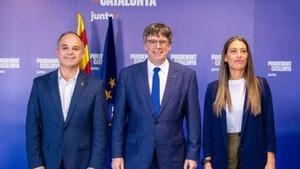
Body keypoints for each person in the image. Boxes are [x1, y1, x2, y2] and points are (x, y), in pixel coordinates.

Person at [111, 23, 201, 169]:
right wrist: (116, 154)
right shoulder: (127, 75)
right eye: (152, 41)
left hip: (173, 156)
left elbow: (194, 121)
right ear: (145, 45)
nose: (157, 46)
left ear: (170, 46)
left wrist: (192, 154)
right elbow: (118, 120)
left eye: (163, 42)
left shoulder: (187, 76)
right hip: (136, 155)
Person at [26, 32, 107, 169]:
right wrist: (36, 164)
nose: (70, 52)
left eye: (75, 48)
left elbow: (100, 130)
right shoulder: (40, 84)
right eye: (65, 48)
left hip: (83, 162)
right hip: (47, 161)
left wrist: (94, 166)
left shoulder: (96, 86)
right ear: (57, 52)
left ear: (82, 53)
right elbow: (32, 127)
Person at [202, 36, 276, 169]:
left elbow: (269, 127)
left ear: (248, 56)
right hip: (222, 155)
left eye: (243, 51)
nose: (239, 55)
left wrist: (271, 161)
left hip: (254, 154)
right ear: (225, 57)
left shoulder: (261, 85)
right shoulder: (213, 89)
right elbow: (207, 129)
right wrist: (207, 161)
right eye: (233, 51)